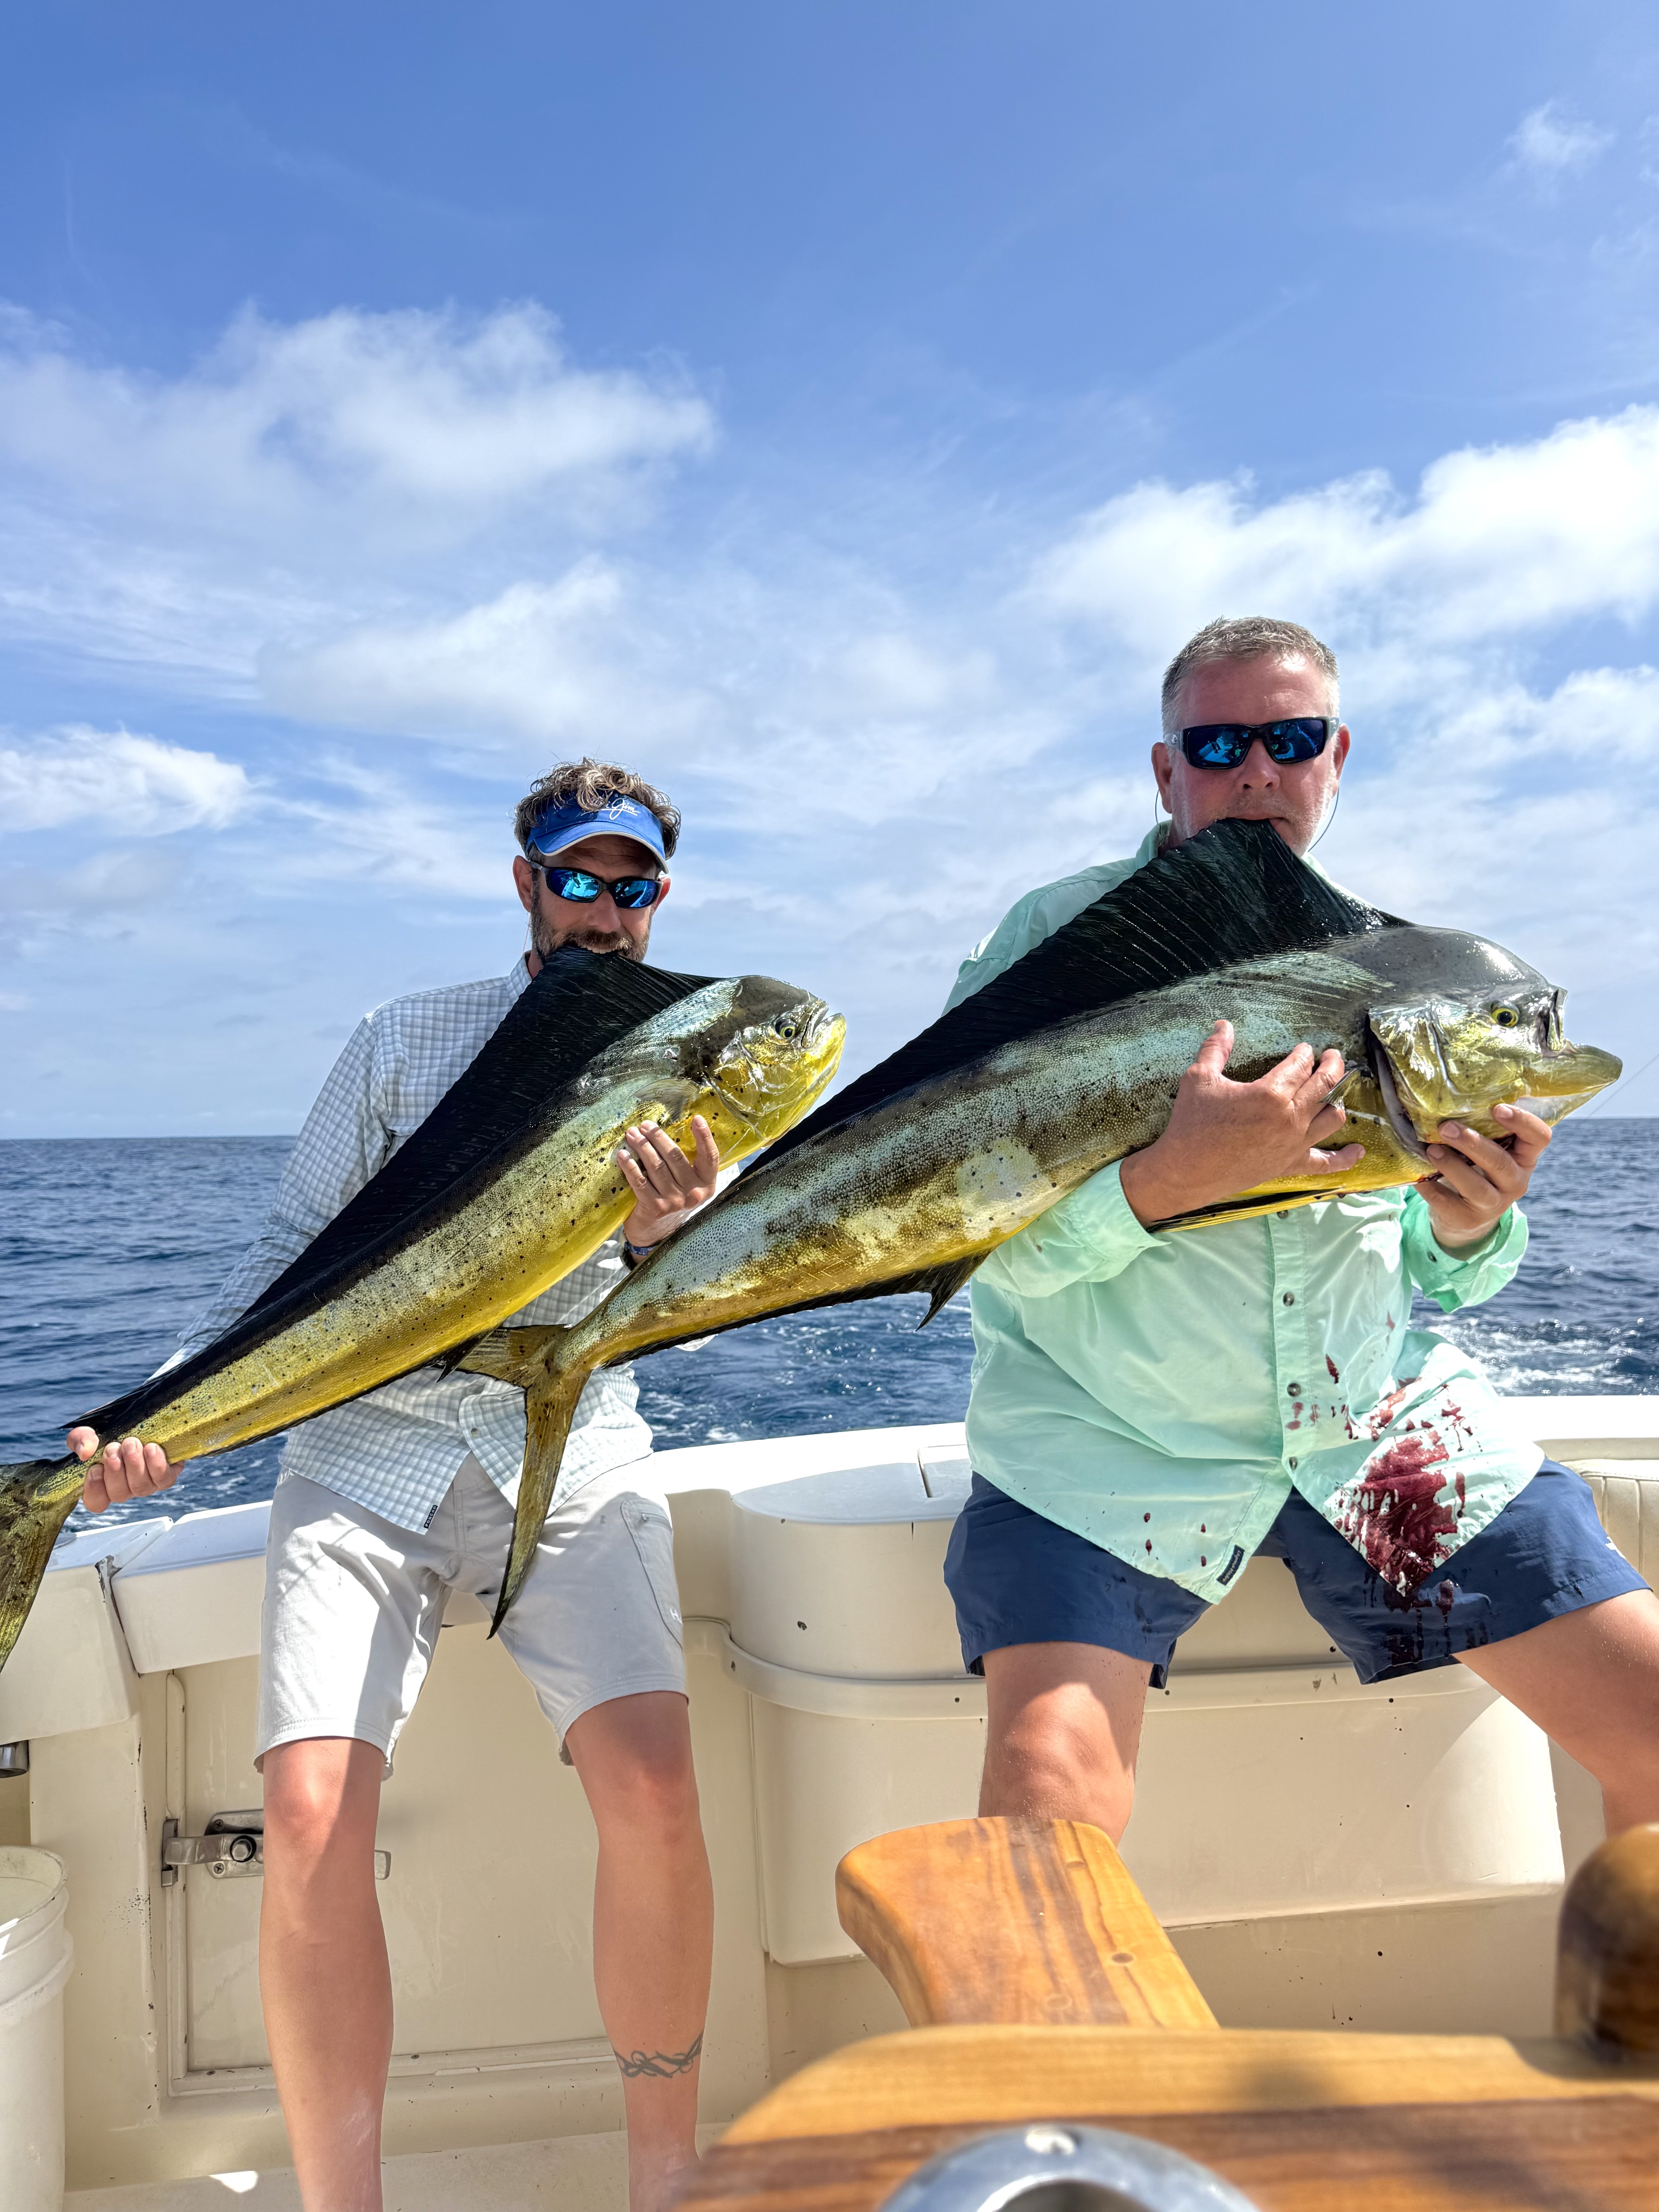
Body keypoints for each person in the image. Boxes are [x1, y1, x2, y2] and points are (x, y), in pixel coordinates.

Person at [70, 761, 717, 2212]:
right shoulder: (402, 1038)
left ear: (660, 898)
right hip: (364, 1453)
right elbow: (288, 1254)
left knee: (657, 1792)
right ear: (526, 883)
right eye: (577, 878)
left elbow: (684, 1300)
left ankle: (668, 2181)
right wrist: (157, 1414)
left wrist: (665, 1236)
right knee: (307, 1817)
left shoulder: (695, 1058)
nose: (604, 910)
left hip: (566, 1445)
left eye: (632, 887)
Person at [942, 615, 1659, 1848]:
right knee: (1044, 1801)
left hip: (1372, 1437)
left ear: (1336, 756)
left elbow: (1443, 1270)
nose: (1255, 773)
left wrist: (1471, 1220)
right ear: (1164, 771)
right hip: (1108, 1448)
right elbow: (962, 1229)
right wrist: (1162, 1183)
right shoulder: (1055, 938)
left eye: (1289, 739)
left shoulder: (1405, 969)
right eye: (1216, 745)